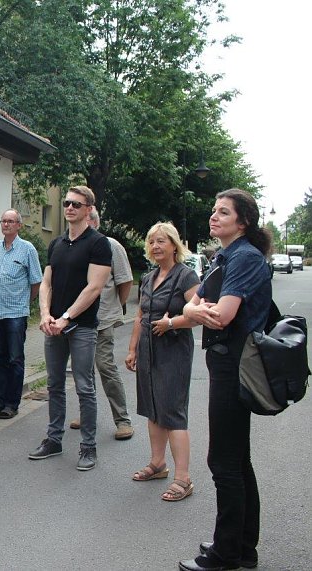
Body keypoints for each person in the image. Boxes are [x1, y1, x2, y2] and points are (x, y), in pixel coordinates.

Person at [179, 189, 272, 571]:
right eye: (213, 211)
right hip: (224, 363)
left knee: (224, 461)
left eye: (223, 212)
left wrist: (197, 311)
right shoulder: (225, 256)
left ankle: (225, 554)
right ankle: (242, 547)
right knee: (236, 459)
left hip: (235, 365)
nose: (213, 217)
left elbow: (221, 316)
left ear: (243, 221)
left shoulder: (245, 257)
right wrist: (195, 309)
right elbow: (192, 303)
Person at [30, 186, 111, 471]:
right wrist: (45, 314)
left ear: (89, 209)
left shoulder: (98, 243)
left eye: (76, 204)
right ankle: (54, 440)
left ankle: (88, 447)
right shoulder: (57, 243)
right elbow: (46, 283)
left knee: (85, 387)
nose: (69, 208)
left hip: (82, 327)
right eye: (66, 203)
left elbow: (94, 287)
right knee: (54, 384)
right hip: (54, 326)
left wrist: (66, 317)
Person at [124, 222, 199, 502]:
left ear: (174, 245)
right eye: (152, 242)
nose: (156, 246)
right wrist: (132, 349)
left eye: (161, 241)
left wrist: (171, 323)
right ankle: (157, 464)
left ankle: (183, 478)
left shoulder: (186, 276)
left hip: (174, 351)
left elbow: (198, 314)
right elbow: (140, 316)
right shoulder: (148, 278)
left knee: (173, 412)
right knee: (153, 408)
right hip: (148, 350)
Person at [70, 209, 135, 440]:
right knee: (83, 370)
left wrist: (116, 306)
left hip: (102, 319)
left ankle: (123, 420)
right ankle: (87, 414)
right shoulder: (74, 246)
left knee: (105, 367)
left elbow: (126, 281)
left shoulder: (111, 246)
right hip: (78, 320)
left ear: (94, 223)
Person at [0, 209, 41, 418]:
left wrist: (25, 303)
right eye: (4, 221)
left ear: (19, 225)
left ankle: (11, 404)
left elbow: (36, 281)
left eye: (10, 221)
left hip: (16, 313)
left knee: (15, 358)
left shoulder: (27, 249)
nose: (6, 224)